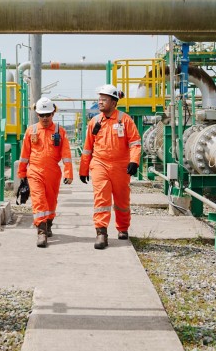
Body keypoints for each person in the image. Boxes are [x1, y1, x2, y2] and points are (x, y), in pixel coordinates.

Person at [78, 84, 141, 249]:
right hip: (100, 164)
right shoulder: (95, 122)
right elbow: (87, 148)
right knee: (101, 199)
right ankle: (101, 233)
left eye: (104, 99)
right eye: (99, 99)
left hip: (121, 167)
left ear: (114, 102)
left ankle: (122, 228)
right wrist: (83, 169)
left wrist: (134, 161)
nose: (100, 102)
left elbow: (135, 143)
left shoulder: (125, 120)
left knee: (122, 200)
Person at [18, 96, 74, 247]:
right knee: (38, 200)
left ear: (53, 114)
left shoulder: (59, 132)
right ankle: (41, 231)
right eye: (41, 115)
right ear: (37, 115)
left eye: (47, 114)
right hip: (35, 171)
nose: (44, 118)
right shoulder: (31, 131)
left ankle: (48, 224)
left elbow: (66, 154)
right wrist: (22, 173)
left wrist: (68, 173)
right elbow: (24, 155)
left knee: (51, 201)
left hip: (53, 173)